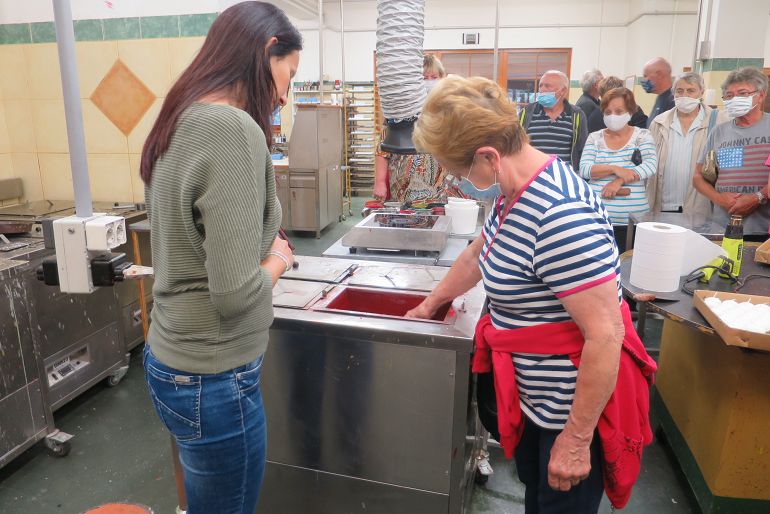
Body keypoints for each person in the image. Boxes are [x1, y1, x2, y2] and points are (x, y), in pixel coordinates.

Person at [406, 75, 656, 514]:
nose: (457, 180)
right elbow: (479, 252)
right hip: (535, 403)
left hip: (568, 414)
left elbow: (605, 335)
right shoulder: (515, 190)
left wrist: (575, 441)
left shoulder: (560, 215)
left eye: (459, 171)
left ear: (489, 156)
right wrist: (430, 304)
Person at [139, 3, 301, 513]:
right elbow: (233, 295)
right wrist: (278, 259)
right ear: (267, 50)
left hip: (170, 356)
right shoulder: (231, 130)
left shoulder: (178, 117)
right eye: (289, 74)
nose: (285, 93)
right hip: (213, 376)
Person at [373, 54, 463, 204]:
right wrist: (380, 182)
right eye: (423, 78)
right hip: (404, 190)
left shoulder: (449, 112)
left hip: (441, 190)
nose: (429, 82)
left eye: (434, 77)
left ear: (442, 79)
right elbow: (382, 150)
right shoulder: (401, 111)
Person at [580, 87, 658, 253]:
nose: (612, 116)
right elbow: (585, 169)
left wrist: (619, 181)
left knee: (630, 263)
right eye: (608, 112)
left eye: (619, 111)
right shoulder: (595, 138)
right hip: (597, 218)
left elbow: (650, 165)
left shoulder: (642, 136)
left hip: (632, 220)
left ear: (630, 112)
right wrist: (614, 168)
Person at [694, 67, 770, 235]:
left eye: (742, 93)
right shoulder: (719, 132)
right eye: (729, 96)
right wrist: (720, 199)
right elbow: (698, 177)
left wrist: (757, 198)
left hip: (763, 231)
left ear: (761, 95)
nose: (735, 99)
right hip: (722, 228)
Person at [648, 72, 729, 216]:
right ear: (673, 93)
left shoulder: (718, 121)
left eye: (691, 90)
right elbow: (649, 161)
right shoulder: (659, 123)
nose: (684, 95)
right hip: (664, 205)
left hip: (700, 207)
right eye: (679, 91)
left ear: (701, 92)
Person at [519, 70, 588, 170]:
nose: (542, 89)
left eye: (547, 86)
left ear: (563, 90)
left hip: (563, 176)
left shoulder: (577, 115)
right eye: (540, 86)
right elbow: (516, 145)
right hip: (532, 175)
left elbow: (582, 150)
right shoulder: (526, 113)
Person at [642, 57, 675, 127]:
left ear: (659, 75)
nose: (644, 80)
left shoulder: (673, 101)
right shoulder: (661, 97)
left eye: (645, 76)